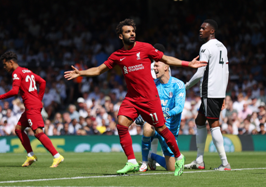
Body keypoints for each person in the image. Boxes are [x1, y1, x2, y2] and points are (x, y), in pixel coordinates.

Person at [64, 19, 206, 176]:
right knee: (121, 123)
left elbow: (165, 59)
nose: (132, 34)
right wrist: (80, 72)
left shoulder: (145, 48)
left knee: (161, 128)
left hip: (149, 98)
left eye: (133, 31)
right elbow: (98, 70)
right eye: (127, 32)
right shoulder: (117, 55)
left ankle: (179, 156)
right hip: (132, 98)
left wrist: (188, 64)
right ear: (120, 36)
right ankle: (131, 161)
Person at [0, 51, 64, 168]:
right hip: (32, 105)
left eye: (5, 65)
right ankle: (31, 155)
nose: (4, 67)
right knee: (19, 129)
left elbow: (15, 91)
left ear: (11, 62)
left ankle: (57, 156)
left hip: (31, 106)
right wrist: (38, 98)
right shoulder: (27, 71)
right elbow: (42, 82)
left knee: (38, 132)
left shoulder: (16, 73)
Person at [184, 19, 231, 171]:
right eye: (200, 28)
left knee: (214, 125)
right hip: (217, 91)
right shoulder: (222, 47)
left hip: (209, 90)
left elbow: (199, 73)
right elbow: (226, 72)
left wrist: (186, 86)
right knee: (199, 120)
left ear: (212, 31)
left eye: (203, 28)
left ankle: (225, 163)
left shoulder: (205, 47)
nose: (200, 30)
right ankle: (199, 160)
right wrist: (223, 94)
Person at [136, 43, 186, 172]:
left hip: (169, 131)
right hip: (155, 125)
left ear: (166, 66)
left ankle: (152, 156)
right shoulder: (152, 85)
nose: (154, 68)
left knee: (171, 168)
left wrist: (164, 114)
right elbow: (144, 104)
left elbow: (179, 108)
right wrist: (140, 115)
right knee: (148, 126)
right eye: (153, 66)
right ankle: (144, 162)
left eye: (156, 65)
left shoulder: (178, 85)